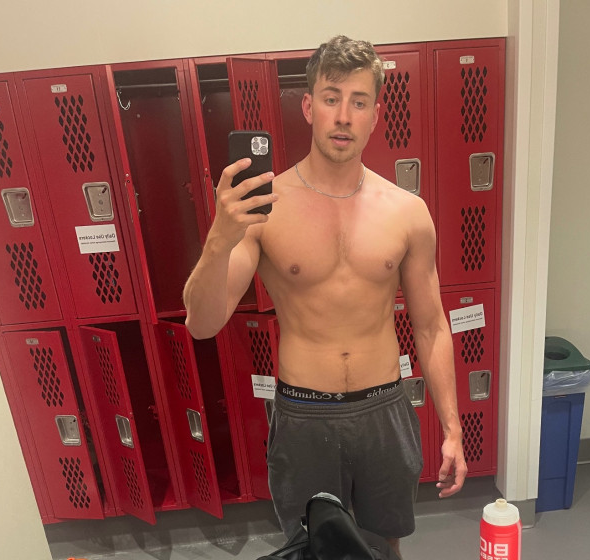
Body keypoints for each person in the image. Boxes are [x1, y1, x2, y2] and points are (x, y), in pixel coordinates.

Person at [183, 35, 466, 557]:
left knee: (384, 546)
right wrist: (219, 238)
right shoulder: (266, 209)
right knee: (312, 549)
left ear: (375, 115)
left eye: (358, 102)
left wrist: (452, 427)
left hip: (384, 408)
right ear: (309, 107)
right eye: (332, 98)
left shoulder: (407, 212)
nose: (343, 116)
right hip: (304, 415)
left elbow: (430, 326)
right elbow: (202, 323)